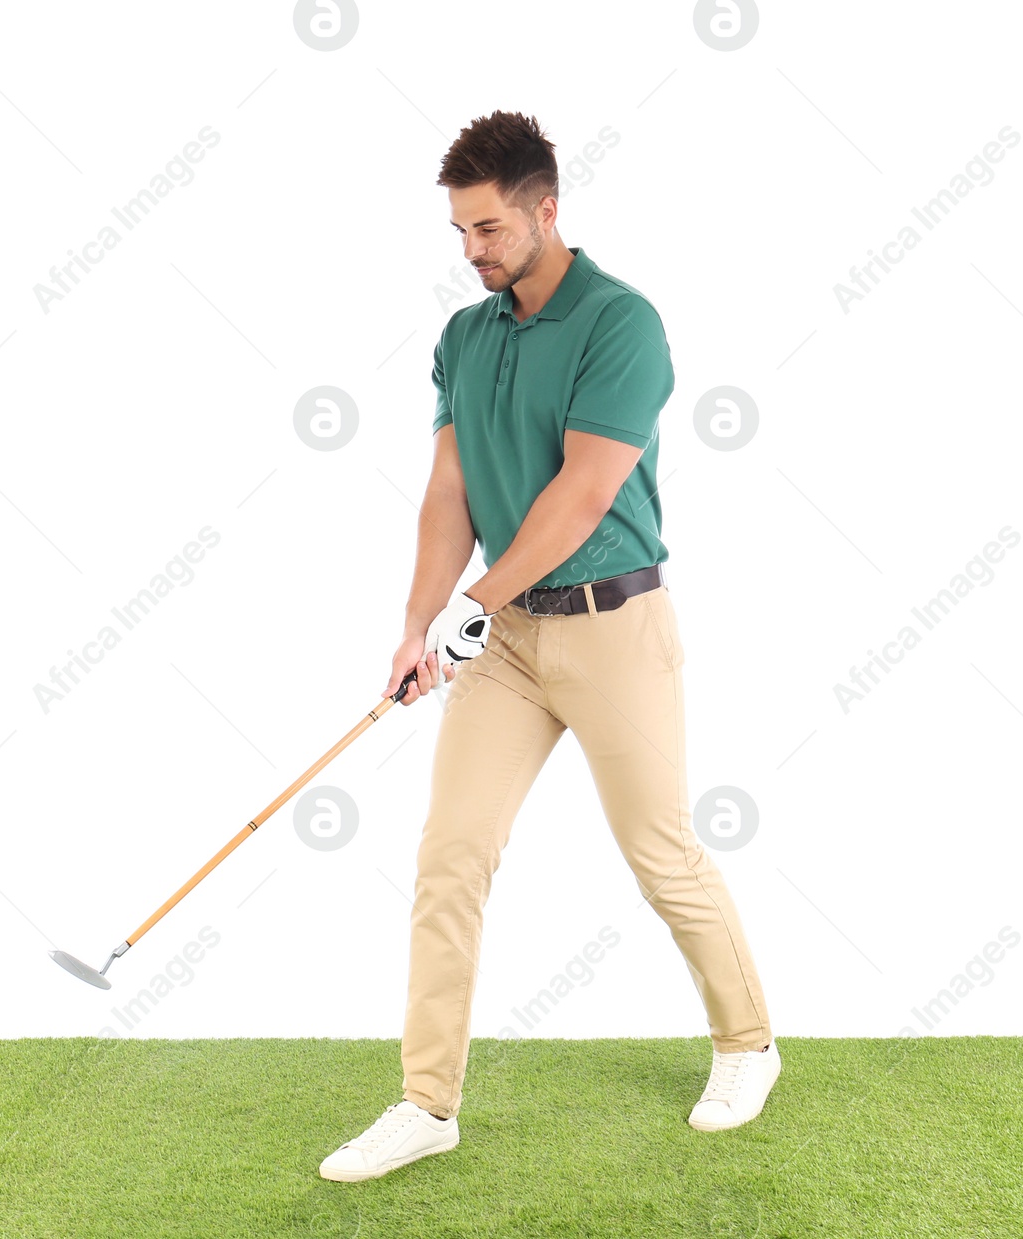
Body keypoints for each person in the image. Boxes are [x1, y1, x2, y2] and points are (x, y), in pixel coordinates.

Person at [319, 111, 777, 1184]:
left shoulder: (624, 324)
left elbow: (579, 497)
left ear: (545, 208)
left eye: (487, 228)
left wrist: (467, 608)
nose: (470, 251)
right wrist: (416, 624)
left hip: (616, 626)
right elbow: (449, 488)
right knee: (450, 855)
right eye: (459, 231)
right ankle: (427, 1102)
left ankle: (747, 1043)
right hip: (509, 643)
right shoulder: (464, 335)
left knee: (658, 850)